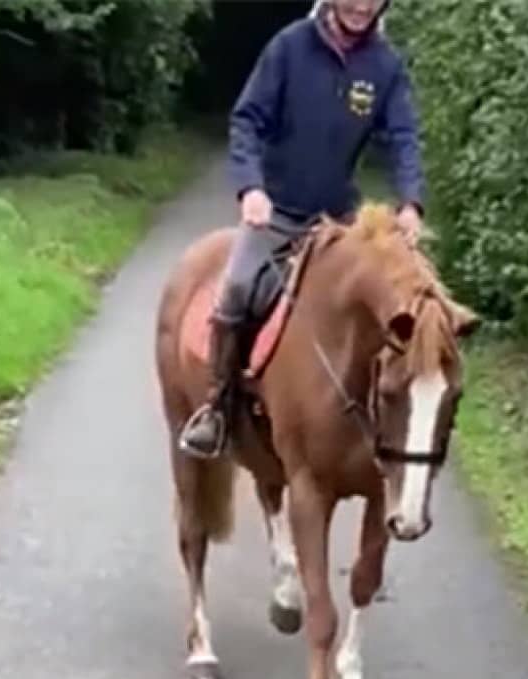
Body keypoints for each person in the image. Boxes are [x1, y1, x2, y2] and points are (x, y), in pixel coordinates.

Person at [177, 0, 427, 459]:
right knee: (236, 290)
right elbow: (247, 121)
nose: (361, 6)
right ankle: (217, 406)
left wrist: (411, 201)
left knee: (388, 304)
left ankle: (384, 422)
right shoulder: (289, 47)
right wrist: (250, 188)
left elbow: (404, 137)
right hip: (276, 213)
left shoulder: (385, 65)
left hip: (340, 223)